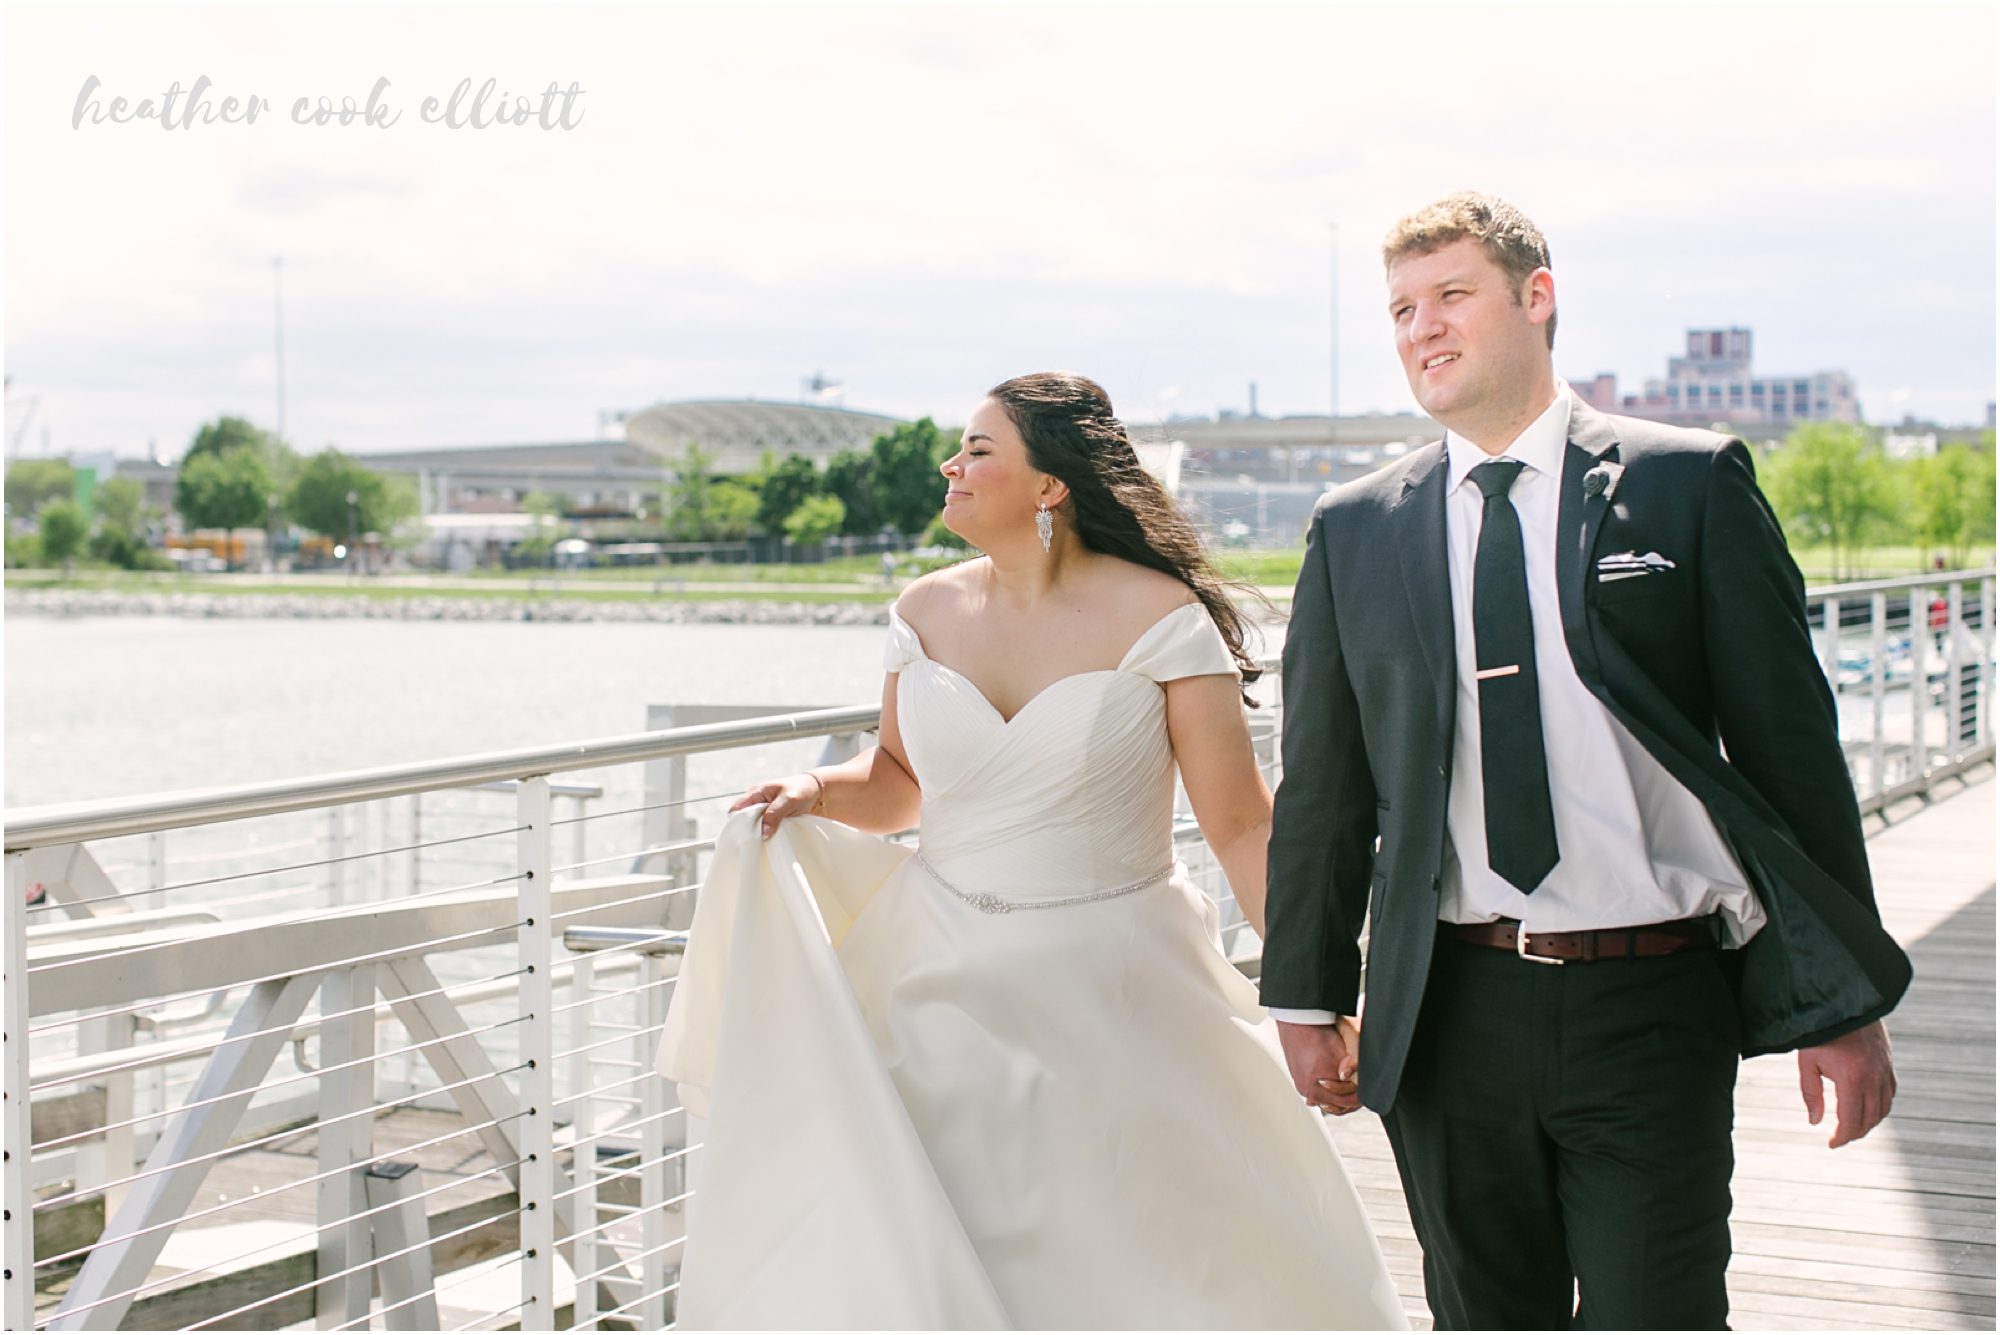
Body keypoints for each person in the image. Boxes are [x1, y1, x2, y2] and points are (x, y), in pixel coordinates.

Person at [1262, 192, 1911, 1330]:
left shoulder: (1686, 483)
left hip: (1648, 999)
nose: (1421, 327)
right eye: (1401, 309)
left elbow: (1790, 755)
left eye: (1450, 295)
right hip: (1445, 1007)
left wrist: (1841, 1006)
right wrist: (1305, 992)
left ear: (1535, 297)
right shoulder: (1354, 528)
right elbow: (1323, 790)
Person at [657, 372, 1405, 1329]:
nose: (950, 465)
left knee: (1139, 1264)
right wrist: (814, 789)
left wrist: (1314, 993)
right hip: (932, 981)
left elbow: (1242, 825)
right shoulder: (923, 611)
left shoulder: (1160, 615)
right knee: (933, 1244)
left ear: (1050, 485)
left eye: (978, 449)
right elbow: (895, 782)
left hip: (1118, 985)